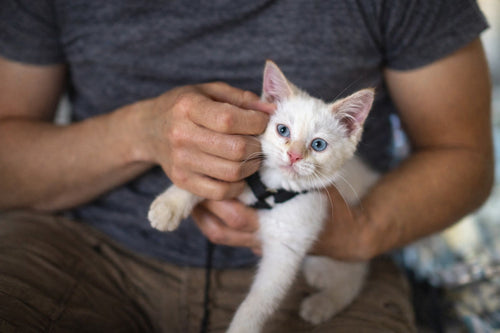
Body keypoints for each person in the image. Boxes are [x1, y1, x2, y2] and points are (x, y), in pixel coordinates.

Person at [0, 0, 493, 332]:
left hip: (329, 263)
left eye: (311, 145)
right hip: (87, 248)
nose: (294, 154)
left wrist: (360, 231)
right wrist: (138, 134)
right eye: (284, 135)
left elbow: (467, 157)